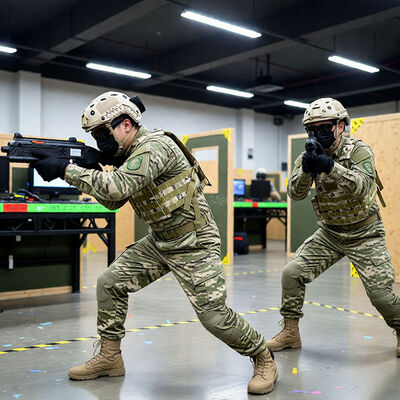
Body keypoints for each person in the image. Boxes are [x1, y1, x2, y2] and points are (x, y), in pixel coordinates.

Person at [30, 91, 278, 394]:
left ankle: (263, 357)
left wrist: (66, 169)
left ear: (125, 124)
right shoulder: (131, 154)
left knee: (214, 316)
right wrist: (94, 167)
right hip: (160, 241)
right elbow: (114, 202)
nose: (100, 142)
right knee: (110, 283)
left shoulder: (154, 146)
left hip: (194, 242)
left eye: (102, 134)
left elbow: (115, 188)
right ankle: (110, 358)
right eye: (95, 136)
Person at [265, 97, 400, 358]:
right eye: (312, 129)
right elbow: (294, 194)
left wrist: (330, 167)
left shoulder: (358, 150)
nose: (318, 134)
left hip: (365, 233)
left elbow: (365, 186)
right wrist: (306, 170)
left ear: (340, 126)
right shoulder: (308, 154)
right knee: (291, 273)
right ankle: (290, 333)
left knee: (381, 296)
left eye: (325, 127)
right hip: (331, 233)